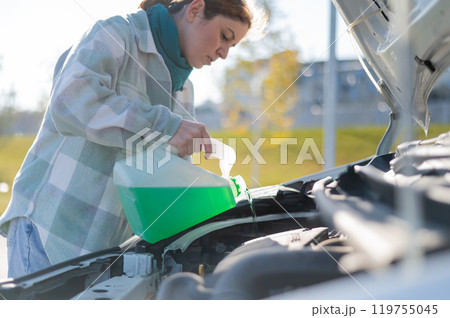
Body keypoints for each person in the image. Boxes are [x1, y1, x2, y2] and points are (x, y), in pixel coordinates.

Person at [0, 0, 266, 278]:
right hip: (50, 232)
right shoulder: (118, 33)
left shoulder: (184, 90)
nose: (224, 54)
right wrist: (164, 126)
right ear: (195, 9)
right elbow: (70, 101)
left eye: (232, 47)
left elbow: (162, 178)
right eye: (225, 36)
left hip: (106, 255)